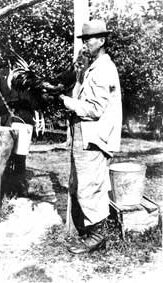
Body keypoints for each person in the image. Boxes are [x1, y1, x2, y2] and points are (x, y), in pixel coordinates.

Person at [60, 19, 122, 254]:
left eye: (89, 39)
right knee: (82, 184)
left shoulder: (104, 69)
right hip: (86, 135)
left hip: (94, 137)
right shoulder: (93, 67)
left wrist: (66, 102)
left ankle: (97, 236)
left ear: (102, 41)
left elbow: (95, 109)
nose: (85, 43)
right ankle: (88, 232)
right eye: (84, 39)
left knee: (89, 187)